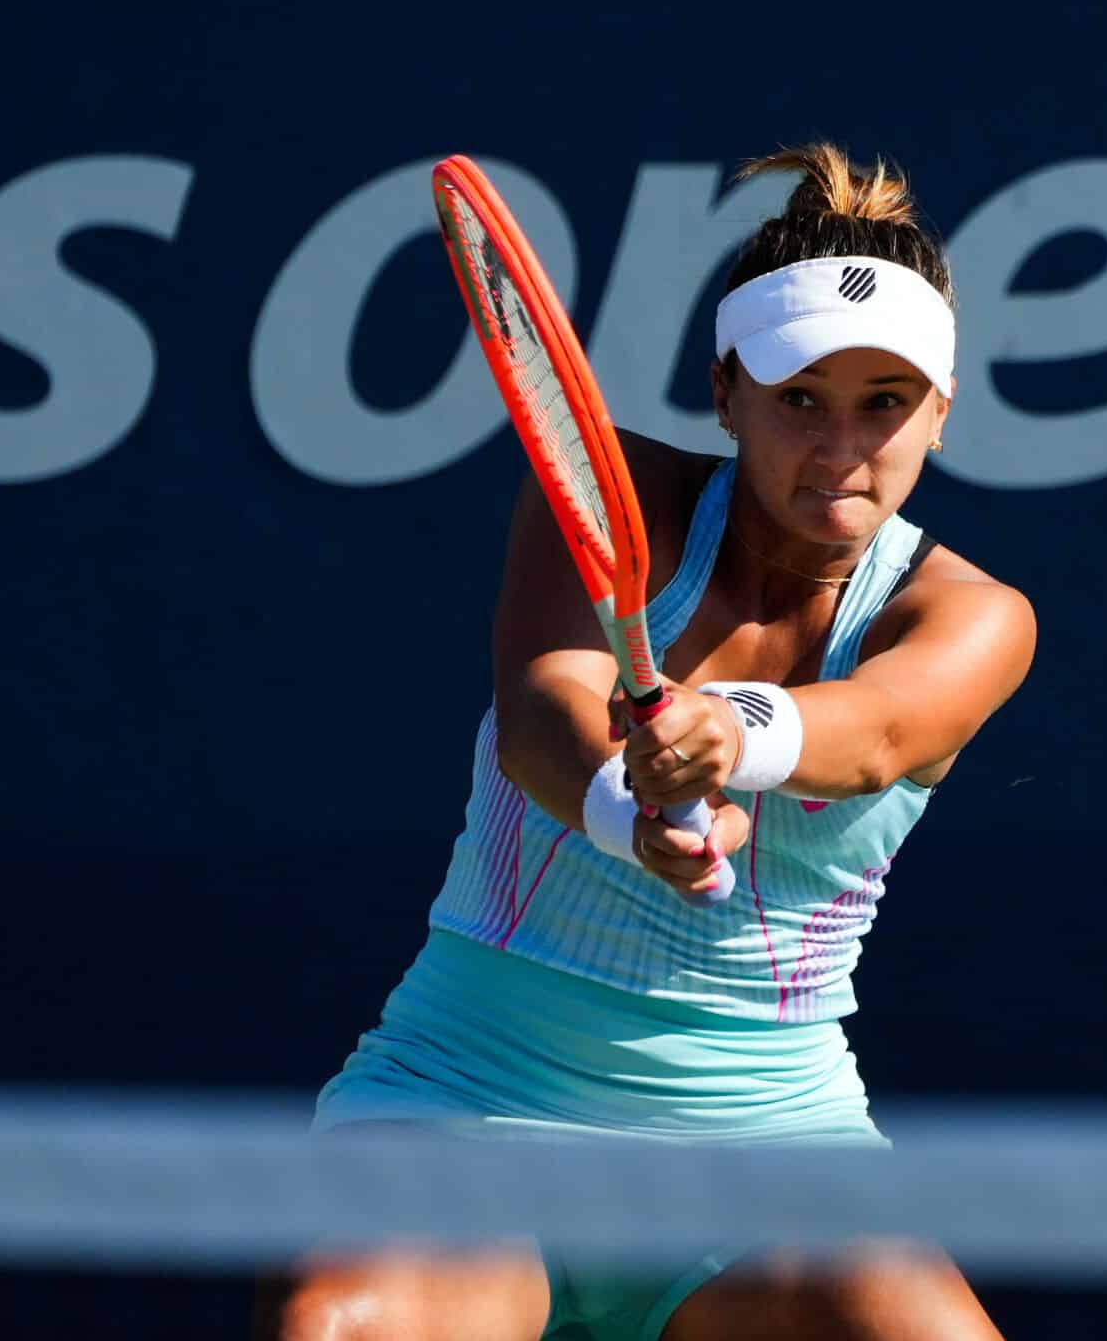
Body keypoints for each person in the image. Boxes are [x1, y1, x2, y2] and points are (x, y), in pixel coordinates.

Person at [258, 142, 1036, 1341]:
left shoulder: (976, 616)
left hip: (776, 1164)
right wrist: (631, 812)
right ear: (726, 395)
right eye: (799, 402)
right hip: (471, 1106)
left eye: (883, 403)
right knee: (339, 1327)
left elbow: (880, 732)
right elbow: (543, 718)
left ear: (941, 411)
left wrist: (730, 731)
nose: (840, 448)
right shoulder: (620, 489)